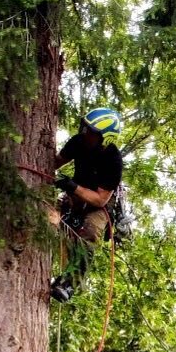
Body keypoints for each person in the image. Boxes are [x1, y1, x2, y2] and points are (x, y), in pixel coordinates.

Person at [49, 107, 123, 303]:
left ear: (104, 138)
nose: (85, 133)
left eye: (91, 132)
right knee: (51, 217)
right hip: (76, 196)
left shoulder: (113, 160)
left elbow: (100, 199)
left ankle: (69, 283)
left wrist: (72, 186)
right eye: (85, 128)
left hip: (100, 207)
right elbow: (56, 162)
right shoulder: (78, 142)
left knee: (90, 232)